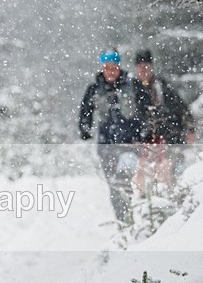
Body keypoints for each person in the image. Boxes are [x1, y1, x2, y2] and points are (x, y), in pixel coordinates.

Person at [79, 48, 151, 224]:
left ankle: (137, 220)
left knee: (124, 180)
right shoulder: (95, 89)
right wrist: (85, 129)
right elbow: (85, 111)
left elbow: (146, 109)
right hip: (106, 144)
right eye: (107, 67)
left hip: (130, 143)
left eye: (114, 67)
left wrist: (145, 132)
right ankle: (123, 222)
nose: (110, 71)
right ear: (102, 68)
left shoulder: (133, 85)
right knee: (114, 186)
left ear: (119, 67)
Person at [133, 49, 195, 193]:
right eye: (140, 66)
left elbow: (181, 108)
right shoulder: (133, 88)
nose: (144, 69)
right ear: (136, 68)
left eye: (146, 65)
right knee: (142, 178)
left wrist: (190, 130)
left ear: (151, 66)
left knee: (168, 174)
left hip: (167, 138)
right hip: (143, 141)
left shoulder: (162, 86)